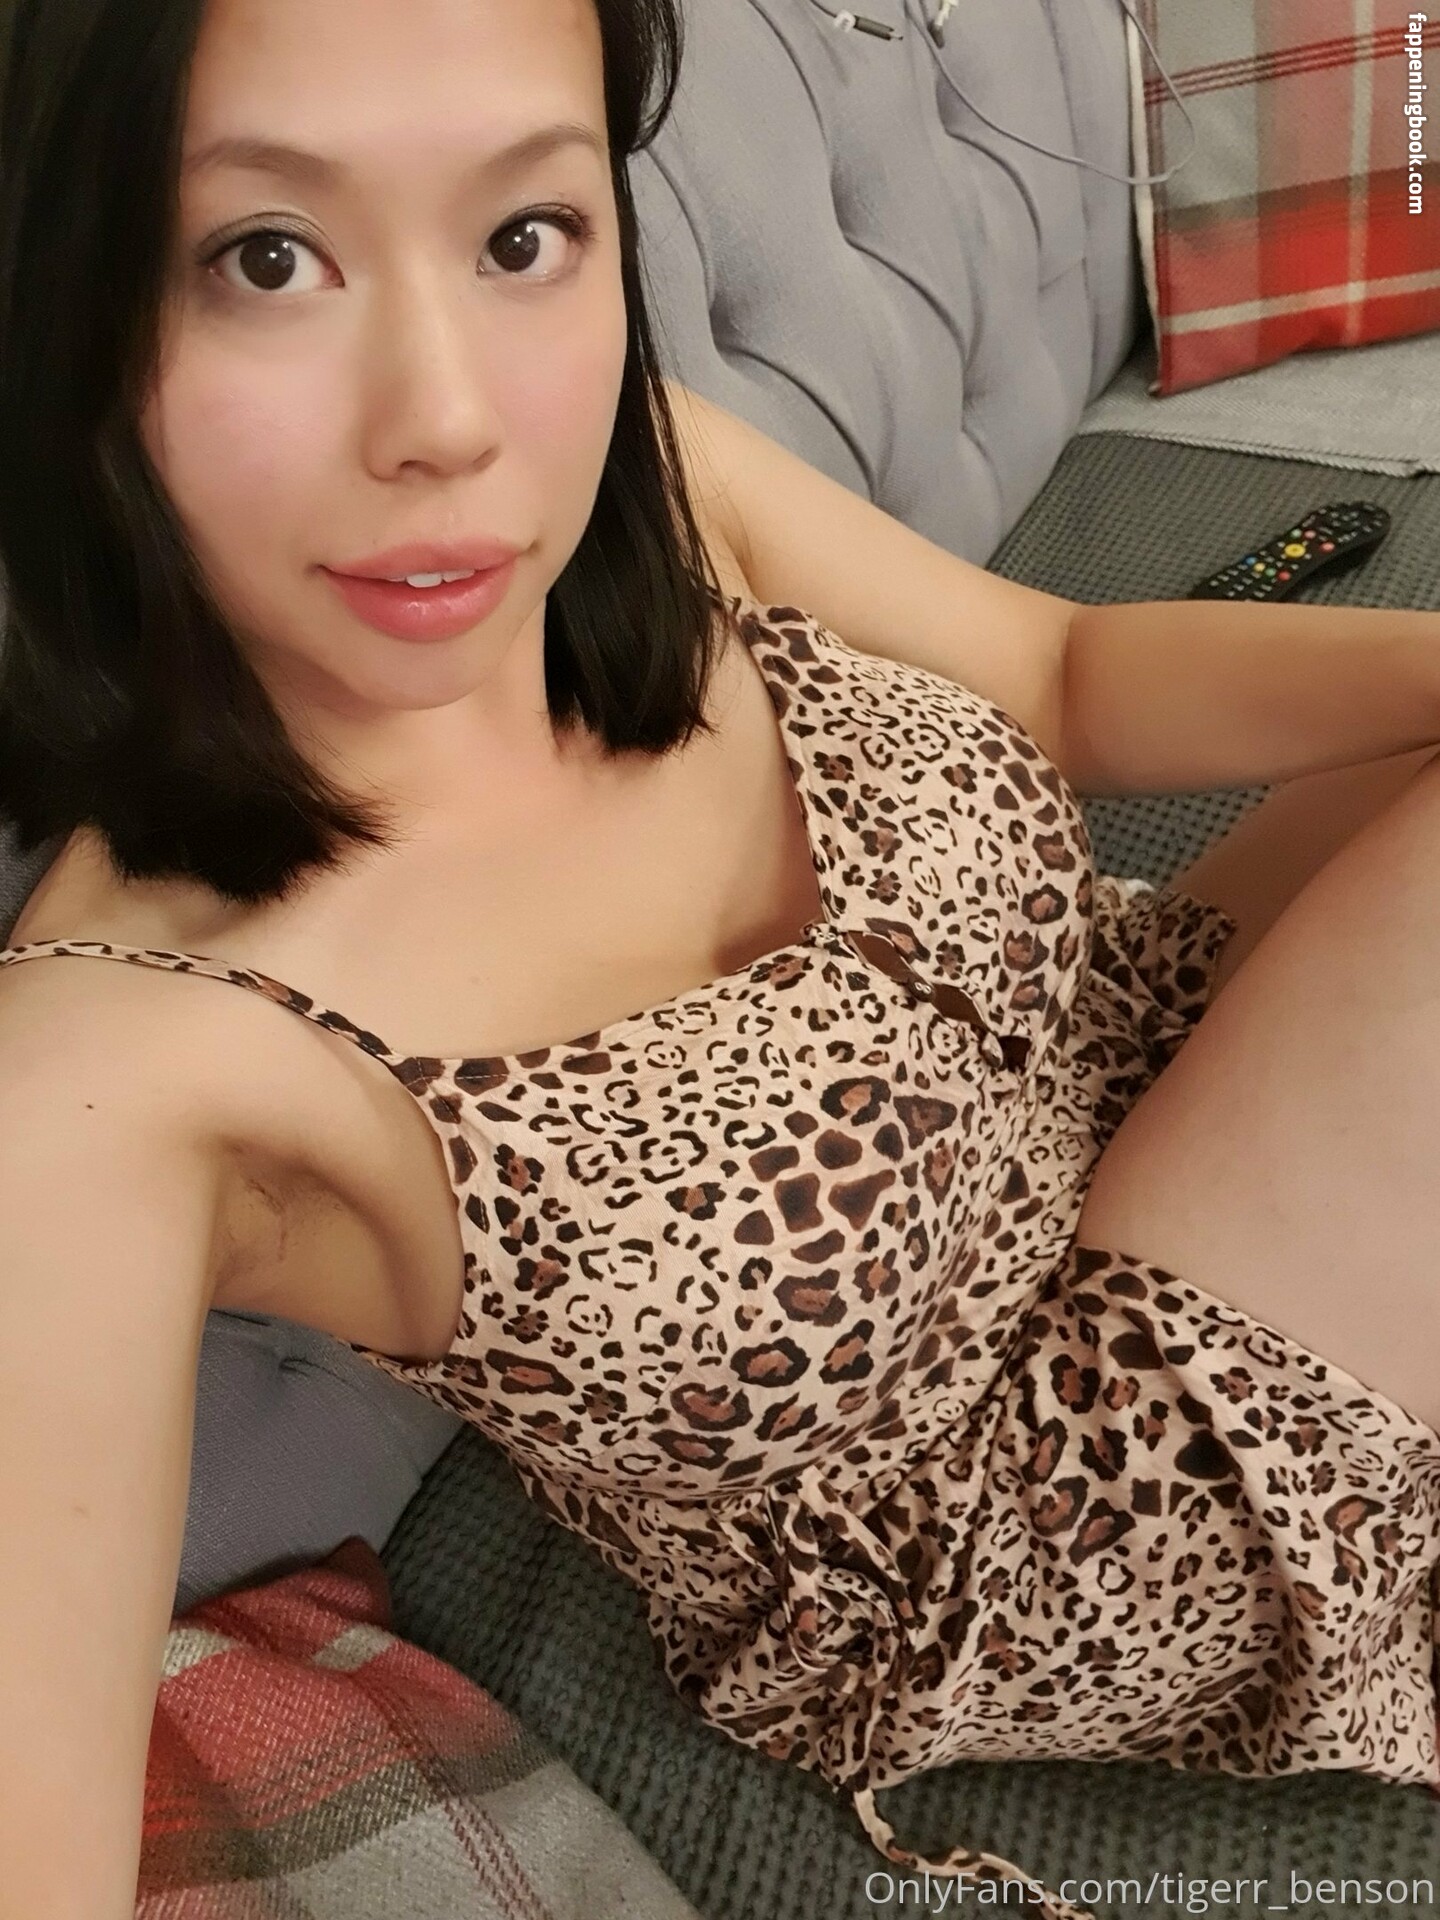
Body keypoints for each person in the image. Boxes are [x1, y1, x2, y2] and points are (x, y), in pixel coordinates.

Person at [1, 0, 1438, 1916]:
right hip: (1021, 1517)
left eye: (525, 234)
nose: (450, 421)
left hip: (1131, 1062)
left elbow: (1060, 670)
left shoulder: (637, 481)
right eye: (266, 258)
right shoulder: (114, 1067)